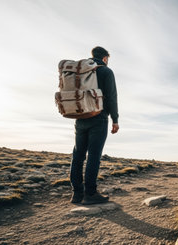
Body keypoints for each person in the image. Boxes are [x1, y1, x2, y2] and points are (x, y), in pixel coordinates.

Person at [70, 46, 119, 205]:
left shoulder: (81, 71)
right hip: (98, 117)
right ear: (105, 58)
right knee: (94, 155)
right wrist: (115, 119)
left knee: (78, 155)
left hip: (80, 117)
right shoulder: (105, 71)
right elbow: (111, 97)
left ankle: (77, 194)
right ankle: (90, 193)